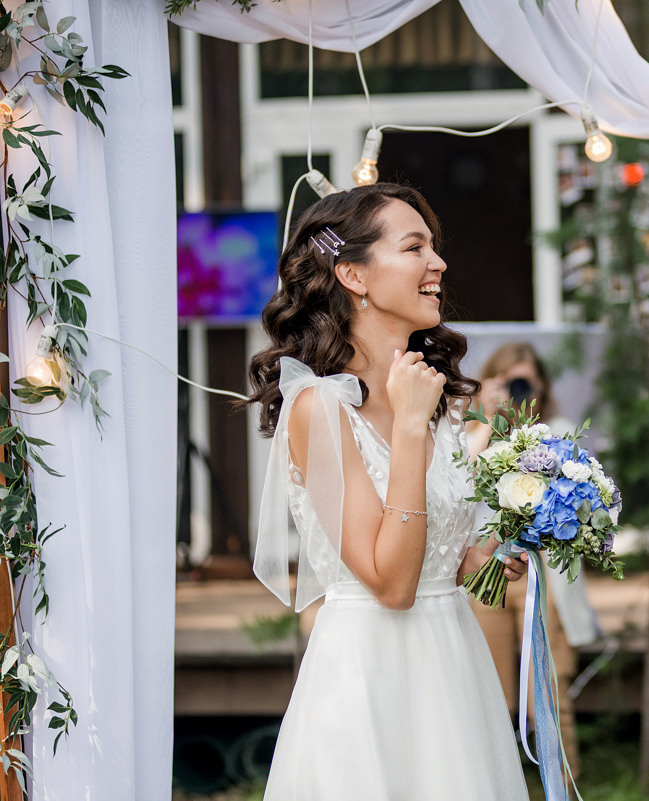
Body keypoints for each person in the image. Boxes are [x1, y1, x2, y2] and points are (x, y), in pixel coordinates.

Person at [244, 183, 530, 800]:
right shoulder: (319, 408)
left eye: (434, 247)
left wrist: (475, 558)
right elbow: (391, 583)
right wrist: (405, 425)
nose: (438, 264)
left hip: (451, 659)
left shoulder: (438, 400)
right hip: (370, 676)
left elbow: (428, 555)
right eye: (414, 247)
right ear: (354, 275)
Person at [465, 341, 601, 773]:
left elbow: (581, 505)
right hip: (485, 571)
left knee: (547, 692)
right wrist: (488, 415)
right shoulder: (473, 430)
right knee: (489, 695)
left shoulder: (559, 430)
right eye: (510, 379)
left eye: (527, 379)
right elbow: (459, 486)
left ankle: (565, 782)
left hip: (544, 575)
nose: (521, 388)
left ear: (541, 383)